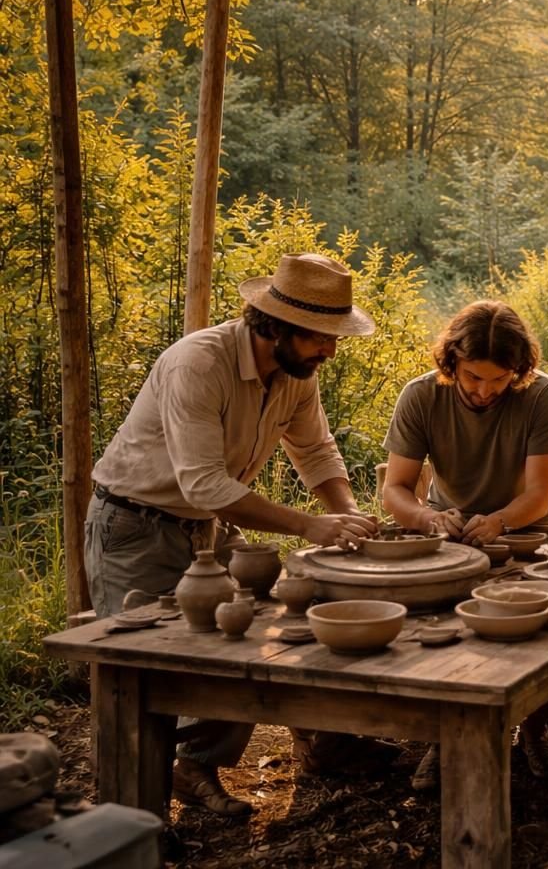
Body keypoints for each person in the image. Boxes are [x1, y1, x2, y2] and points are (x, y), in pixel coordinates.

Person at [86, 253, 388, 817]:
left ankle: (194, 766)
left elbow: (316, 450)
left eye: (335, 337)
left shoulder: (297, 374)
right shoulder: (198, 363)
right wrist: (307, 524)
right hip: (134, 525)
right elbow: (203, 483)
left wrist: (349, 518)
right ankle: (130, 822)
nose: (331, 349)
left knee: (242, 642)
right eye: (320, 337)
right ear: (274, 326)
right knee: (138, 675)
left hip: (203, 526)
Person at [380, 300, 548, 788]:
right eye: (473, 378)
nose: (485, 391)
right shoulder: (421, 396)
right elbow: (396, 488)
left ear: (519, 371)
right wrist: (427, 517)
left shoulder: (543, 396)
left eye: (499, 380)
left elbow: (539, 493)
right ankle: (445, 739)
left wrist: (501, 522)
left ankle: (536, 729)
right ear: (450, 365)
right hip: (453, 529)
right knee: (440, 620)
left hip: (529, 528)